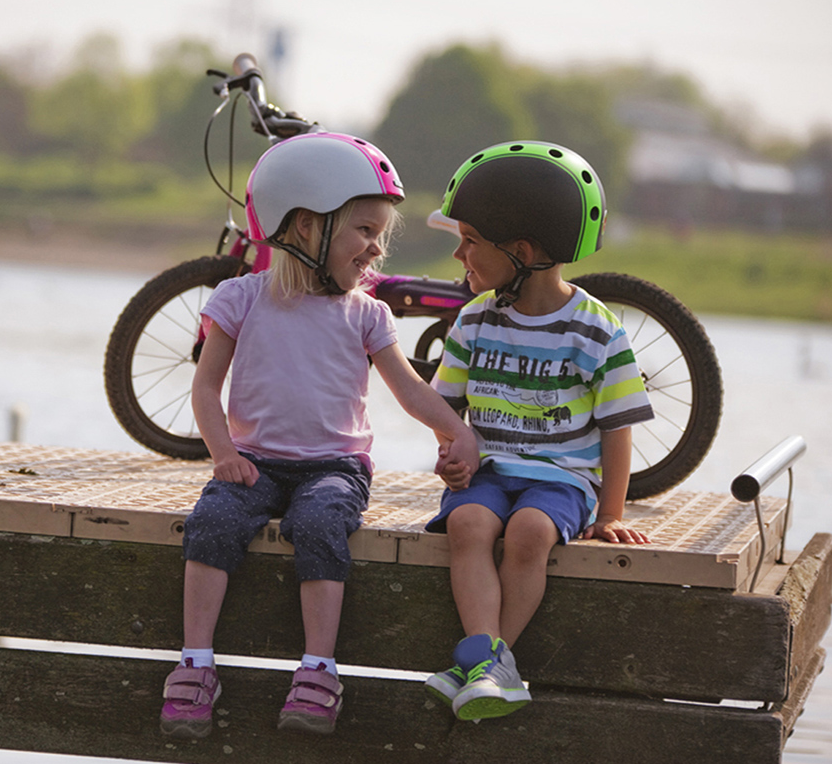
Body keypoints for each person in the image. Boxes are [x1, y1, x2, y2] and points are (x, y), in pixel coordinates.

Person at [159, 132, 480, 739]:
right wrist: (222, 454)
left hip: (335, 465)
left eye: (381, 234)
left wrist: (454, 430)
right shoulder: (240, 298)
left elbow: (411, 390)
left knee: (319, 522)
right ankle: (195, 662)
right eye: (365, 230)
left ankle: (318, 670)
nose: (377, 249)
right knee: (212, 521)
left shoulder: (368, 313)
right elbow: (205, 390)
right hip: (252, 459)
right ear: (305, 226)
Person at [422, 141, 655, 722]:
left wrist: (612, 514)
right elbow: (446, 410)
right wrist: (452, 456)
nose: (459, 253)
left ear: (520, 251)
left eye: (471, 239)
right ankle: (490, 662)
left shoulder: (596, 331)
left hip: (562, 479)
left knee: (528, 531)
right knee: (469, 521)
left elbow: (618, 429)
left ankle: (481, 661)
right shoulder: (474, 321)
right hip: (492, 471)